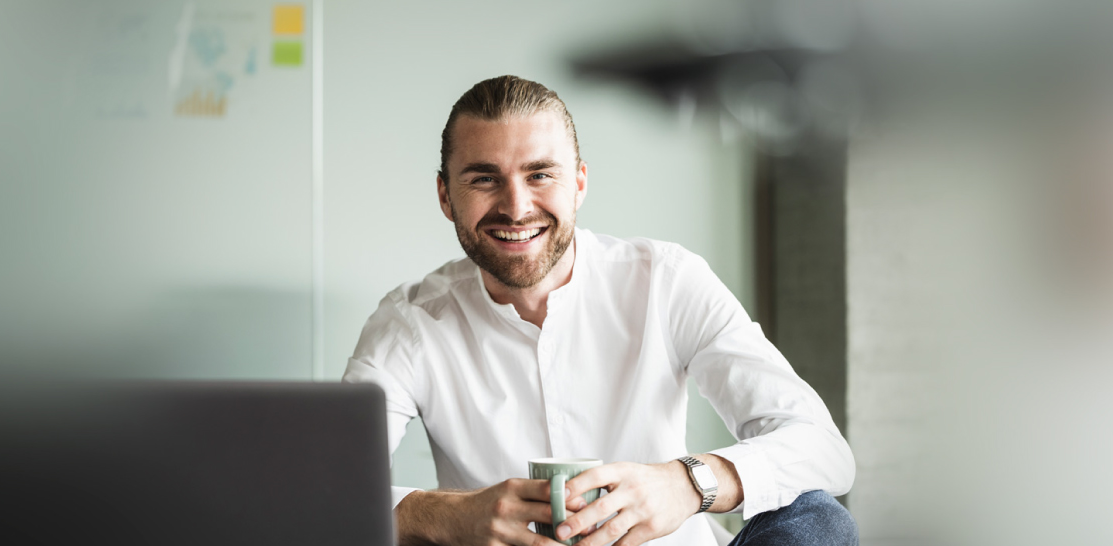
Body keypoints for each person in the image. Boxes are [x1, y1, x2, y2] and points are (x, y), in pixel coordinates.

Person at [342, 75, 857, 546]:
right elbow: (320, 493)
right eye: (483, 179)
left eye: (540, 174)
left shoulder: (666, 279)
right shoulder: (410, 323)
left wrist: (686, 482)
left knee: (818, 519)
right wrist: (446, 516)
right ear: (445, 196)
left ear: (580, 183)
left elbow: (824, 451)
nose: (516, 207)